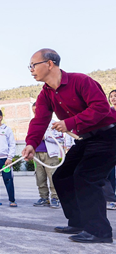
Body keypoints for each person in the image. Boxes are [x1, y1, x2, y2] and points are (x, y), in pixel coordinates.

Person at [22, 48, 116, 243]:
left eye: (33, 65)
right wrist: (31, 143)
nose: (30, 70)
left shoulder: (80, 81)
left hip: (109, 134)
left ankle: (100, 232)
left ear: (50, 64)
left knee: (86, 178)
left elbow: (100, 108)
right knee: (63, 176)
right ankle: (79, 222)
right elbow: (39, 121)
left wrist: (70, 123)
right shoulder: (46, 94)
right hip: (86, 138)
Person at [31, 102, 63, 209]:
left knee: (53, 177)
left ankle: (55, 198)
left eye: (37, 110)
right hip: (37, 155)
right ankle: (44, 197)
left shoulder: (54, 123)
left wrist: (46, 137)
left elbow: (61, 138)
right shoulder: (33, 123)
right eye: (34, 111)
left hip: (50, 155)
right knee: (40, 177)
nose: (36, 113)